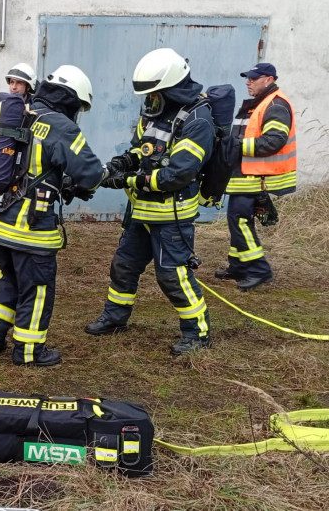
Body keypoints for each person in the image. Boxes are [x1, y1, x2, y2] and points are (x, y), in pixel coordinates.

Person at [88, 48, 213, 356]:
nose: (151, 99)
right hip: (141, 212)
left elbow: (177, 174)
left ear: (171, 87)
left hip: (172, 216)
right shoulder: (155, 109)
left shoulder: (198, 119)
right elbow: (140, 150)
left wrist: (130, 180)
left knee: (172, 275)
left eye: (156, 93)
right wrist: (120, 164)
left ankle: (197, 333)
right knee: (124, 266)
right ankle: (115, 318)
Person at [0, 65, 106, 367]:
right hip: (30, 230)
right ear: (69, 99)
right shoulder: (61, 126)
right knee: (37, 290)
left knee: (8, 278)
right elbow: (89, 174)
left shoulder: (20, 112)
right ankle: (29, 351)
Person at [215, 63, 296, 291]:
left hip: (257, 177)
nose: (248, 82)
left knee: (239, 221)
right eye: (247, 78)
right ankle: (238, 266)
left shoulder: (275, 104)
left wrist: (237, 145)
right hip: (245, 177)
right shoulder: (258, 104)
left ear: (268, 80)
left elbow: (273, 141)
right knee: (237, 220)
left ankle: (259, 270)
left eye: (253, 78)